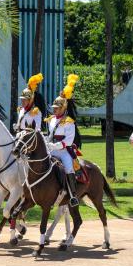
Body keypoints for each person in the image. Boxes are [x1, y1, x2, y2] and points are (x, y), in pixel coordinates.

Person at [46, 74, 85, 207]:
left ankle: (73, 195)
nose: (54, 110)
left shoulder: (69, 122)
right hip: (51, 148)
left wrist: (55, 146)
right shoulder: (51, 120)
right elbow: (50, 134)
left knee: (69, 168)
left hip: (63, 150)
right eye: (54, 108)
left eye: (57, 108)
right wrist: (46, 142)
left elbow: (68, 141)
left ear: (63, 108)